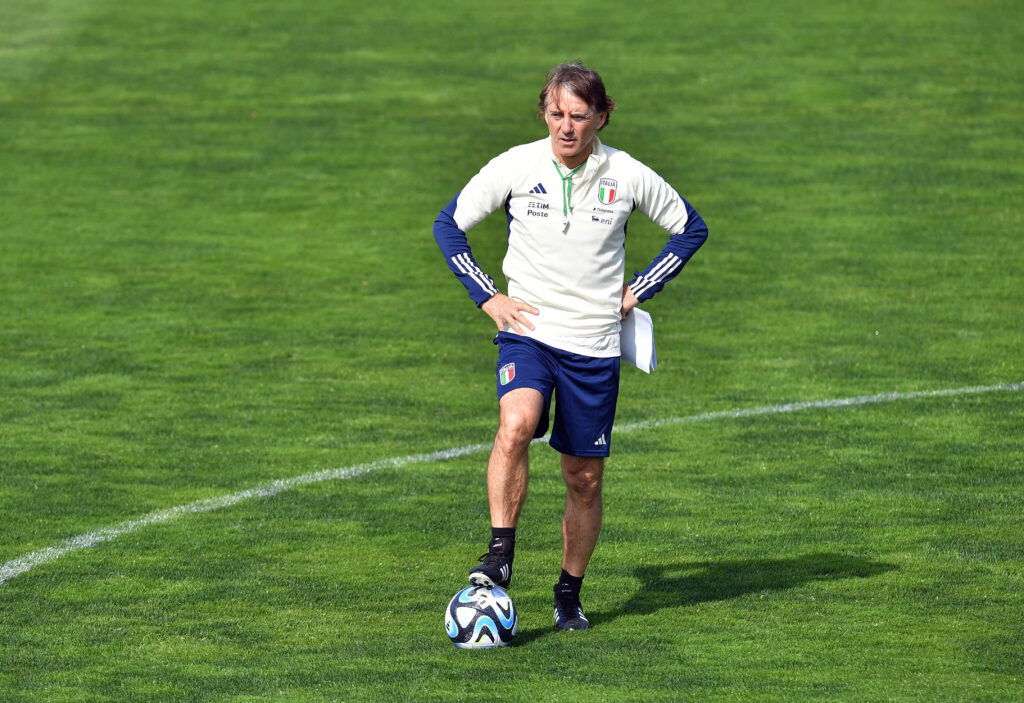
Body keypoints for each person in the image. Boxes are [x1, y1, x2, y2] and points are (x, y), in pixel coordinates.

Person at [433, 61, 708, 631]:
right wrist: (488, 297)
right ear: (544, 113)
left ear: (603, 116)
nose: (566, 127)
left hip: (594, 346)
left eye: (579, 116)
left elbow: (691, 229)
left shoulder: (626, 175)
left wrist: (640, 289)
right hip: (528, 334)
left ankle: (567, 592)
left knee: (583, 476)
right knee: (516, 424)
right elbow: (448, 224)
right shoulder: (517, 165)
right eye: (556, 114)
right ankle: (501, 552)